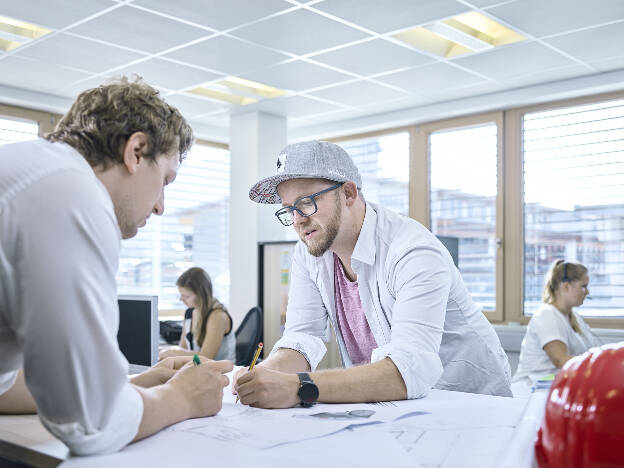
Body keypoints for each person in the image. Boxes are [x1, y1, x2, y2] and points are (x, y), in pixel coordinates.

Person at [0, 77, 232, 455]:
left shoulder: (30, 168)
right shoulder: (71, 195)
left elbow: (5, 387)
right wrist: (183, 398)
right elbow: (92, 424)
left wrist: (133, 385)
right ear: (136, 151)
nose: (160, 206)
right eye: (164, 181)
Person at [234, 140, 511, 409]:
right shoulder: (309, 252)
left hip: (471, 403)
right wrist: (265, 374)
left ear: (349, 194)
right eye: (288, 209)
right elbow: (302, 338)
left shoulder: (413, 251)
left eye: (306, 203)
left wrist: (298, 387)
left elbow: (408, 369)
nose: (297, 220)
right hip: (396, 406)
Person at [512, 260, 600, 389]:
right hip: (530, 392)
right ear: (566, 286)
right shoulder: (547, 315)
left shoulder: (575, 318)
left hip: (556, 388)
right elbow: (561, 360)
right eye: (583, 286)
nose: (587, 292)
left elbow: (593, 352)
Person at [159, 267, 236, 361]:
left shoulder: (218, 316)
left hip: (220, 372)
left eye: (186, 296)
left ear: (201, 295)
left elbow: (206, 358)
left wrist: (175, 353)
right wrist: (173, 354)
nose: (181, 299)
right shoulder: (189, 313)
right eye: (181, 295)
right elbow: (183, 348)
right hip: (197, 369)